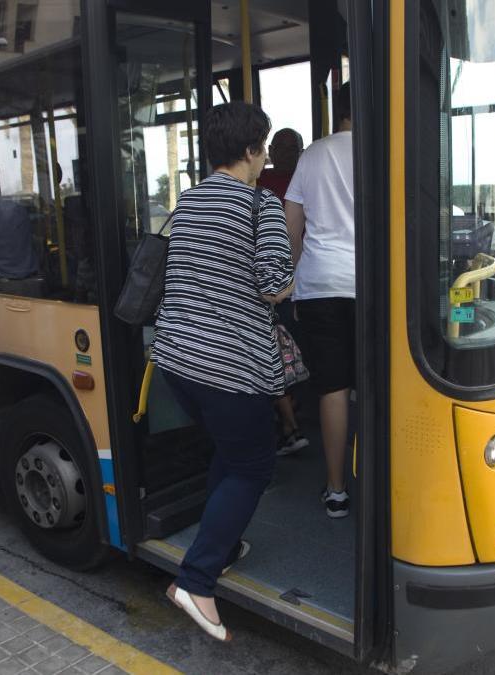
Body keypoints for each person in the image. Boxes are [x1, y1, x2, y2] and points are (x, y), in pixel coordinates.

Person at [152, 101, 294, 641]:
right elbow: (275, 286)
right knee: (254, 467)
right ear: (253, 151)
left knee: (229, 456)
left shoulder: (186, 202)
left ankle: (223, 543)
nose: (263, 160)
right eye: (262, 149)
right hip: (230, 367)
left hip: (176, 361)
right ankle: (195, 580)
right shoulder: (261, 208)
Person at [284, 82, 355, 519]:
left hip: (320, 285)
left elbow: (292, 224)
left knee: (333, 388)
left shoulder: (312, 155)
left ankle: (336, 490)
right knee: (377, 386)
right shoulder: (385, 149)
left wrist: (294, 276)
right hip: (373, 286)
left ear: (338, 110)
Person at [256, 128, 308, 456]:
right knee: (278, 354)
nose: (288, 152)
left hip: (299, 281)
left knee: (289, 355)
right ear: (270, 150)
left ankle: (290, 424)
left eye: (294, 146)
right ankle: (290, 424)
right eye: (281, 146)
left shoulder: (306, 179)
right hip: (275, 285)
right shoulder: (258, 186)